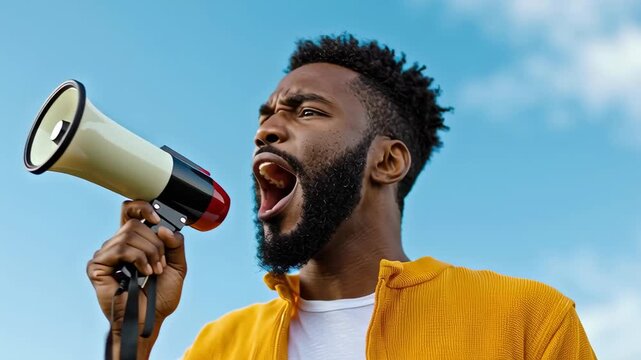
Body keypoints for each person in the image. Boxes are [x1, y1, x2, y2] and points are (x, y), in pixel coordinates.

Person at [87, 34, 596, 359]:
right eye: (265, 117)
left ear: (388, 161)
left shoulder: (527, 321)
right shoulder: (220, 346)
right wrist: (129, 338)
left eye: (306, 112)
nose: (265, 131)